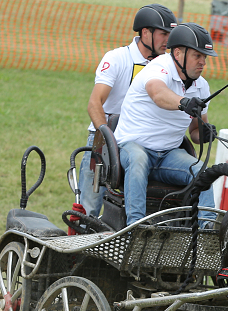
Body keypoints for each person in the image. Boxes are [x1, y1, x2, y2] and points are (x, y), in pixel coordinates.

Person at [114, 22, 219, 226]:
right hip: (133, 146)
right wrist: (183, 103)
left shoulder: (201, 86)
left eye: (204, 57)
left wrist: (205, 134)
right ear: (178, 53)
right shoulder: (158, 67)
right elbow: (157, 93)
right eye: (197, 56)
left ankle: (208, 226)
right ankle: (136, 226)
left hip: (169, 155)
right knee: (138, 160)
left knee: (202, 171)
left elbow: (195, 131)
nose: (202, 62)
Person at [78, 4, 178, 217]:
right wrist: (106, 137)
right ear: (145, 32)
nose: (168, 40)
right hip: (105, 141)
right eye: (163, 33)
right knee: (88, 210)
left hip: (142, 144)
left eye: (171, 34)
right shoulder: (117, 58)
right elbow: (95, 103)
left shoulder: (168, 66)